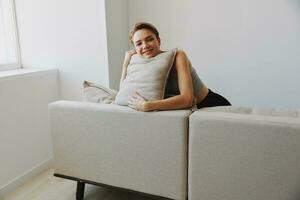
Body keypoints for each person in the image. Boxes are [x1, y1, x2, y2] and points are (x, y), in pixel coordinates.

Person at [120, 22, 231, 111]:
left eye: (149, 39)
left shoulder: (178, 56)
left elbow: (187, 99)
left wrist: (148, 106)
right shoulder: (140, 64)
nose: (145, 46)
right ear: (135, 48)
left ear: (158, 41)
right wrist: (125, 65)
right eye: (139, 43)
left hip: (210, 104)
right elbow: (123, 92)